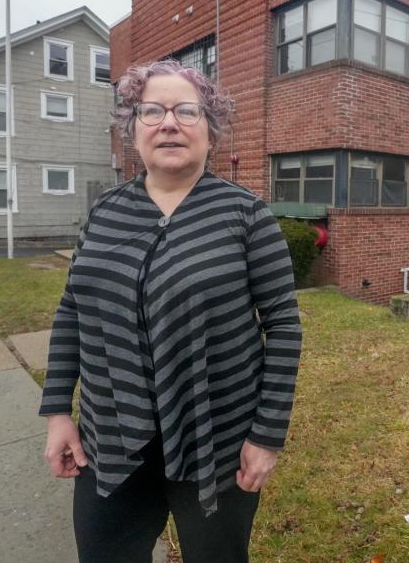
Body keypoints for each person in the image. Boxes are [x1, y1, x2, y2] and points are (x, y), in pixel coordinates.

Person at [39, 59, 302, 563]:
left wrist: (267, 436)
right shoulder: (105, 212)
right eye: (152, 111)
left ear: (210, 129)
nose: (169, 123)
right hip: (110, 432)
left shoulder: (246, 216)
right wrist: (57, 413)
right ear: (133, 129)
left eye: (187, 111)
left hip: (215, 436)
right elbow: (73, 309)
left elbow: (284, 326)